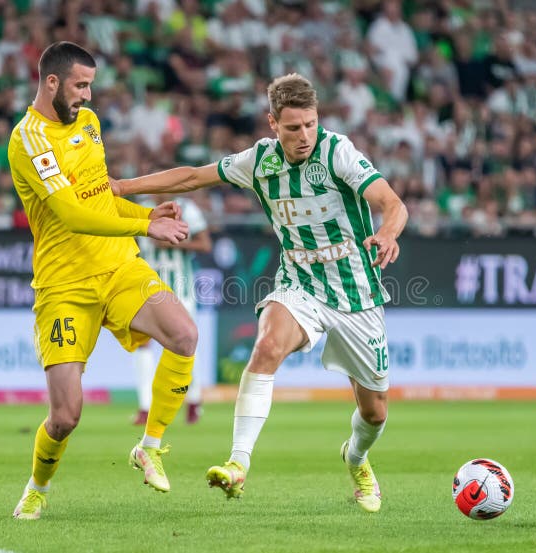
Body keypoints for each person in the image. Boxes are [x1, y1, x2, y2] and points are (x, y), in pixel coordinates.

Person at [112, 73, 408, 513]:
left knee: (375, 413)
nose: (304, 135)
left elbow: (392, 203)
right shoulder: (260, 161)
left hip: (357, 293)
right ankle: (238, 463)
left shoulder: (337, 151)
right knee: (266, 346)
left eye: (310, 123)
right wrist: (121, 187)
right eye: (293, 127)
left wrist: (387, 232)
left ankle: (357, 458)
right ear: (272, 123)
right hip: (299, 284)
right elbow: (193, 177)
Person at [8, 41, 197, 520]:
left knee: (184, 334)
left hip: (118, 266)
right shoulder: (27, 139)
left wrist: (142, 213)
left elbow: (98, 197)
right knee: (66, 415)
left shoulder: (89, 126)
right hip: (65, 286)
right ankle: (38, 486)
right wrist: (145, 226)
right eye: (80, 86)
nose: (88, 97)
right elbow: (70, 214)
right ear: (51, 83)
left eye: (90, 85)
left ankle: (149, 445)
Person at [133, 195, 212, 425]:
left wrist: (175, 241)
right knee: (143, 344)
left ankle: (194, 401)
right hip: (148, 288)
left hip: (181, 289)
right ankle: (145, 407)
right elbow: (132, 245)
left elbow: (205, 244)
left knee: (184, 346)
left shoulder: (188, 208)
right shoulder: (142, 207)